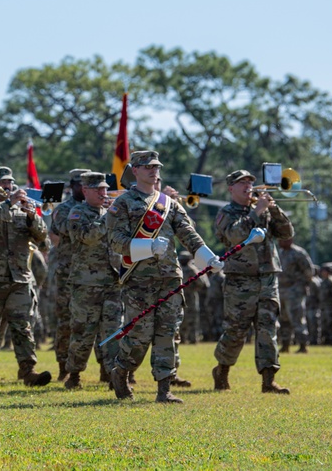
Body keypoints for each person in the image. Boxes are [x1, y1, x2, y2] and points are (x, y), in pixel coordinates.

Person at [106, 151, 218, 403]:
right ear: (135, 170)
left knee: (167, 333)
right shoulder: (122, 203)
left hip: (169, 279)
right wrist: (147, 246)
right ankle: (121, 371)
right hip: (139, 281)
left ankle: (164, 390)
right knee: (139, 335)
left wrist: (208, 258)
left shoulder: (169, 203)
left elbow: (189, 234)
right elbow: (116, 242)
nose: (153, 171)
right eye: (147, 167)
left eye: (156, 166)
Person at [213, 169, 292, 395]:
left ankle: (269, 381)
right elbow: (235, 236)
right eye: (242, 183)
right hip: (240, 280)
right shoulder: (226, 213)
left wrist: (274, 209)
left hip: (267, 278)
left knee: (268, 329)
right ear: (231, 188)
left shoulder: (264, 209)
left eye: (250, 183)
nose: (248, 187)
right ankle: (222, 371)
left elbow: (286, 233)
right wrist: (257, 212)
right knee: (236, 330)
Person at [0, 167, 51, 387]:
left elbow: (42, 237)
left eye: (10, 184)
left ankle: (28, 371)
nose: (8, 187)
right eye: (3, 184)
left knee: (23, 327)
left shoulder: (22, 211)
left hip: (19, 279)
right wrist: (8, 203)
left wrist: (31, 214)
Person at [58, 172, 122, 390]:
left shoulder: (110, 212)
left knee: (113, 330)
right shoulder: (77, 213)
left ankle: (114, 374)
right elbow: (86, 237)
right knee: (83, 331)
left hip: (112, 282)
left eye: (104, 189)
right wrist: (108, 217)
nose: (103, 193)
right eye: (97, 190)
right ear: (85, 191)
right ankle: (74, 374)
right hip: (86, 284)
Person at [47, 169, 90, 381]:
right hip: (68, 274)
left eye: (87, 185)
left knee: (97, 322)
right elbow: (66, 229)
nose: (83, 188)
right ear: (71, 186)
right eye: (78, 184)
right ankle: (64, 366)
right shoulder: (63, 209)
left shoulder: (101, 208)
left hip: (95, 273)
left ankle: (106, 369)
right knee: (66, 321)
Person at [276, 237, 315, 353]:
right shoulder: (280, 253)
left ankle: (302, 345)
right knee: (284, 319)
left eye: (282, 239)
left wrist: (301, 286)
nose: (280, 241)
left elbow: (309, 271)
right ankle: (285, 344)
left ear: (290, 240)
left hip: (295, 291)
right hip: (281, 290)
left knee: (297, 318)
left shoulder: (298, 253)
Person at [318, 263, 332, 345]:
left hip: (330, 305)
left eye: (325, 271)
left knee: (331, 323)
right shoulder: (323, 281)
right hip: (324, 306)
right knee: (324, 323)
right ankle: (326, 339)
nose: (323, 273)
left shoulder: (331, 281)